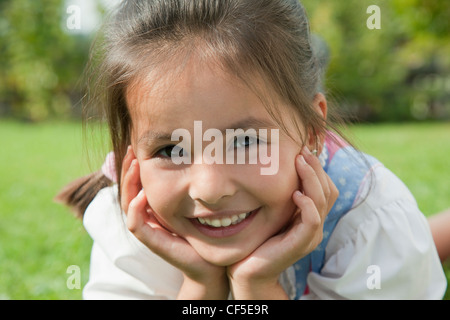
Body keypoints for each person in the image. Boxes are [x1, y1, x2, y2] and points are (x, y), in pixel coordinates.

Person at [55, 0, 446, 299]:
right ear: (131, 155)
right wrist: (200, 286)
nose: (209, 189)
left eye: (244, 142)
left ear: (312, 130)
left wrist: (255, 288)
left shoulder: (369, 216)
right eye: (172, 150)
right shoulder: (130, 221)